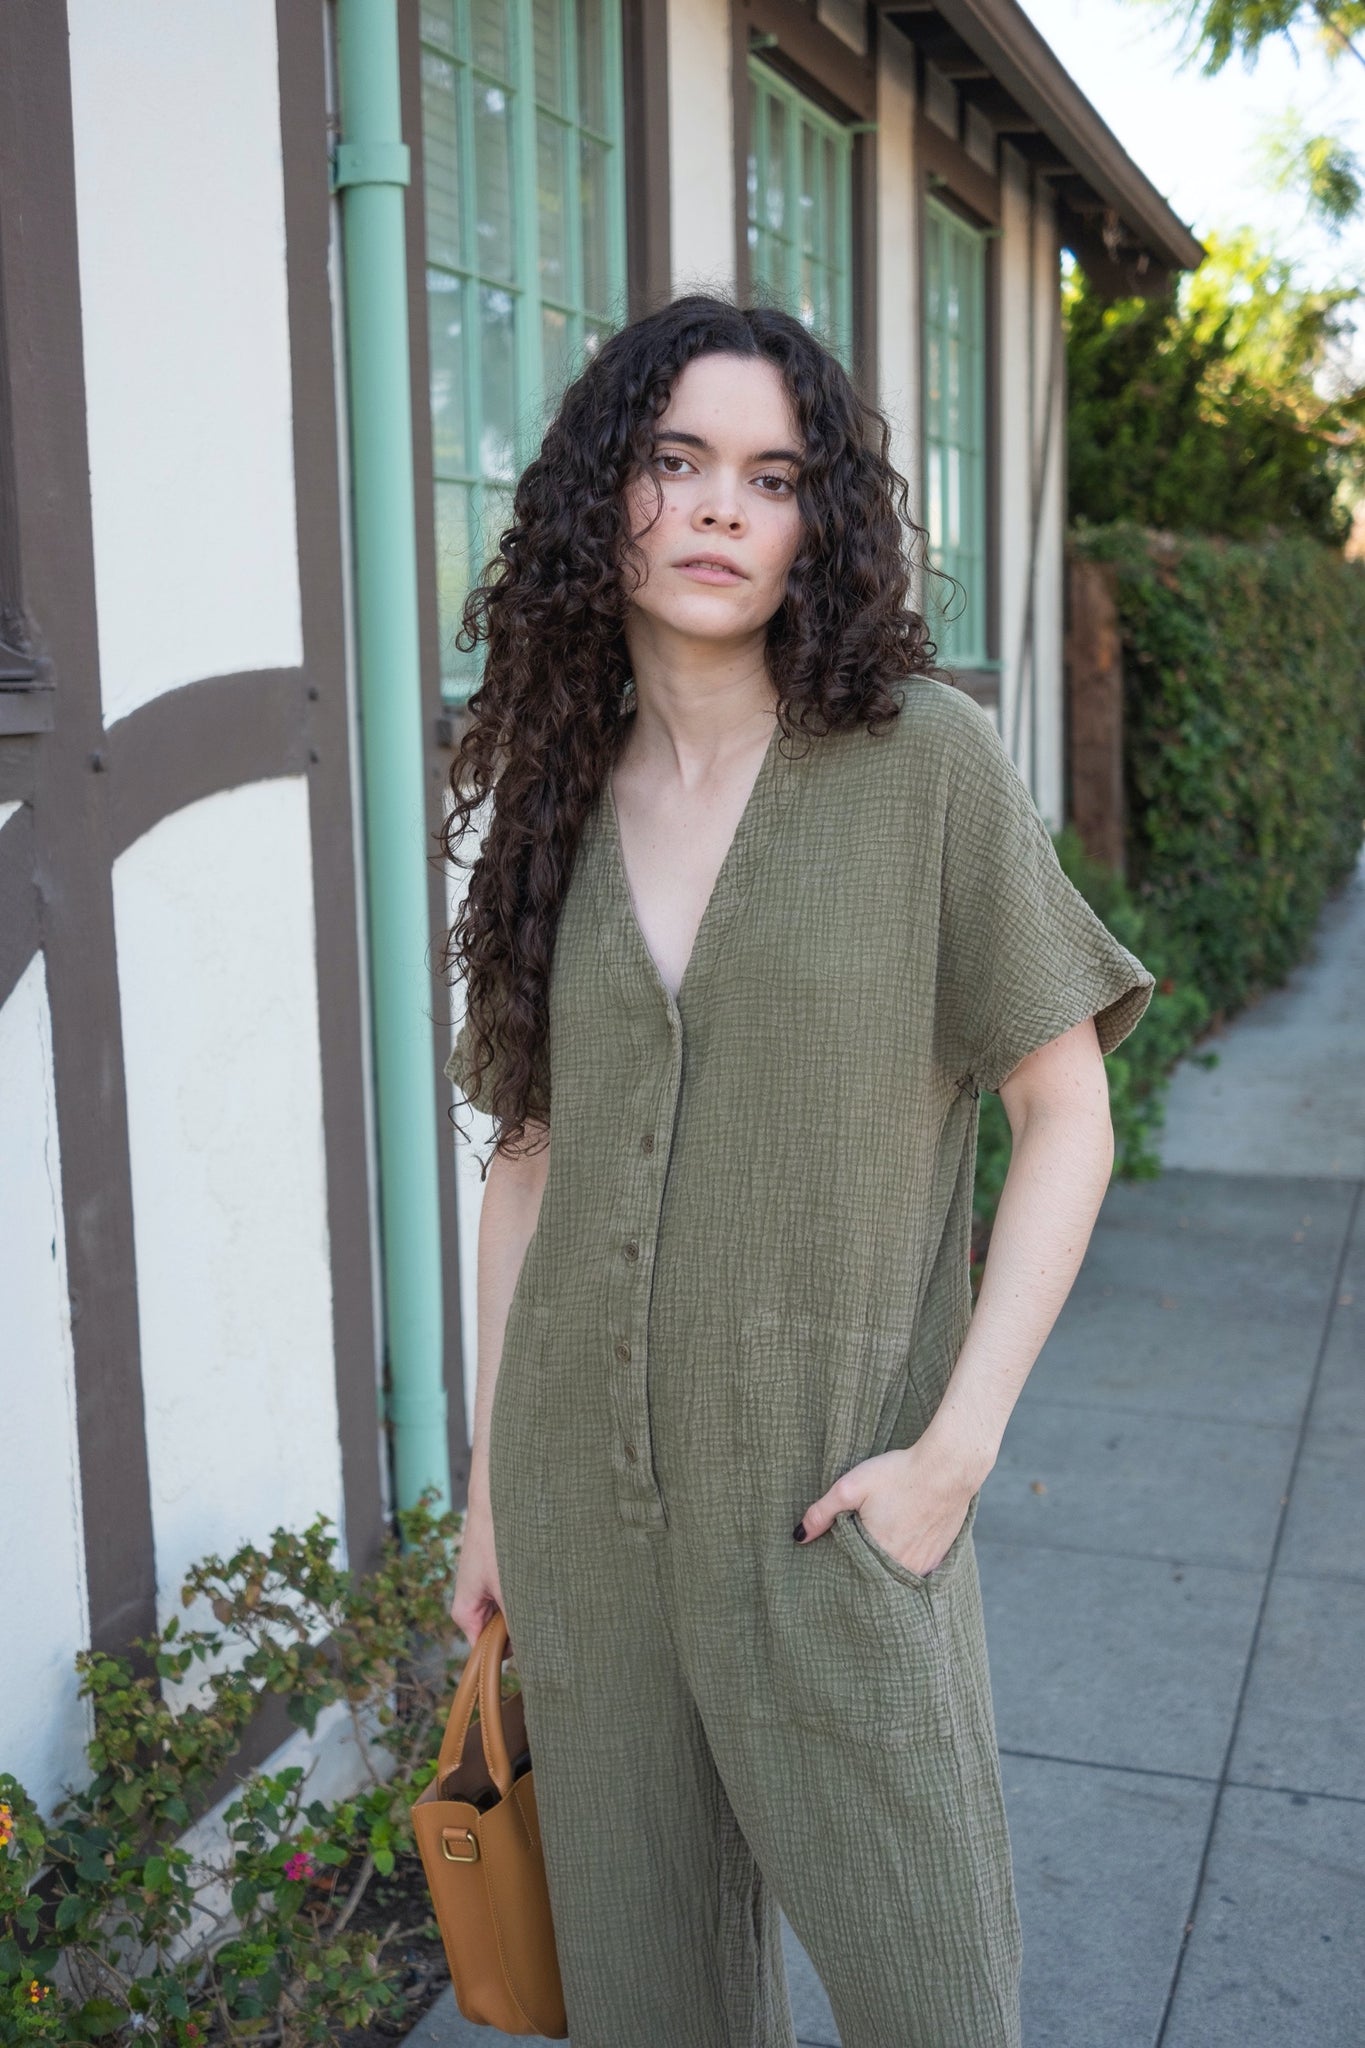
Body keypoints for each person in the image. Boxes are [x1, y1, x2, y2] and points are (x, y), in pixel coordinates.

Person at [439, 293, 1154, 2048]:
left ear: (815, 522)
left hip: (834, 1514)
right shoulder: (553, 794)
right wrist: (491, 1495)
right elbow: (525, 1165)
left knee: (935, 1998)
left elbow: (1064, 1111)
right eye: (674, 461)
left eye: (769, 478)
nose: (716, 508)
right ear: (603, 496)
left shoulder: (919, 764)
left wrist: (950, 1462)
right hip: (586, 1522)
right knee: (651, 2004)